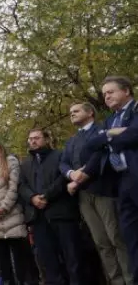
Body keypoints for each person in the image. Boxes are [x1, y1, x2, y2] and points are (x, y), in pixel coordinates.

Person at [72, 76, 138, 282]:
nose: (106, 96)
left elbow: (135, 134)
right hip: (123, 182)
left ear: (126, 91)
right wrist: (112, 133)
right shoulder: (110, 121)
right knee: (131, 237)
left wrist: (109, 138)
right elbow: (93, 145)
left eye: (111, 91)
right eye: (104, 93)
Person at [60, 102, 131, 285]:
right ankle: (116, 281)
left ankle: (130, 279)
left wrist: (81, 177)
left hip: (104, 192)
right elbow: (64, 162)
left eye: (76, 111)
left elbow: (100, 155)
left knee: (116, 238)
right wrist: (70, 174)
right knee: (101, 242)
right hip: (84, 196)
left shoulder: (101, 131)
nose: (72, 114)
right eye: (70, 112)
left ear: (90, 112)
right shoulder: (72, 140)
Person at [19, 128, 84, 284]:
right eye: (30, 138)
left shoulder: (60, 155)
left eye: (36, 138)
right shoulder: (26, 163)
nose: (33, 141)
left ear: (46, 139)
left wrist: (46, 196)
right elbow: (22, 185)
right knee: (48, 259)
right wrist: (33, 198)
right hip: (39, 217)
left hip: (62, 213)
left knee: (72, 257)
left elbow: (63, 178)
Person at [0, 139, 36, 285]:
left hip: (12, 215)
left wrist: (4, 207)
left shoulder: (10, 164)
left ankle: (25, 281)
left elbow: (13, 187)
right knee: (2, 256)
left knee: (19, 255)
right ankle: (7, 281)